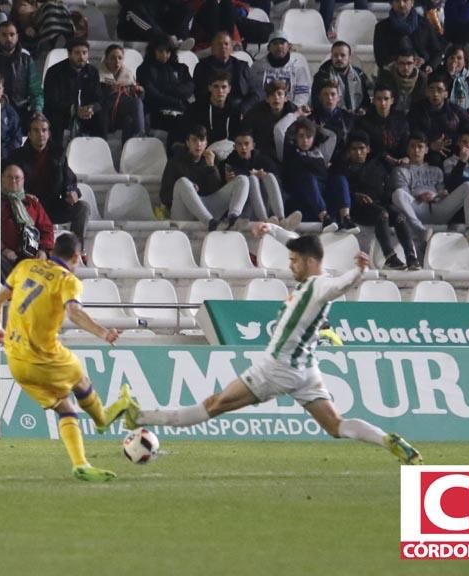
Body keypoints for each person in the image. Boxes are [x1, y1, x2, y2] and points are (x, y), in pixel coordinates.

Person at [116, 227, 423, 466]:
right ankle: (387, 441)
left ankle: (139, 417)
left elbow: (339, 286)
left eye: (294, 262)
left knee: (214, 404)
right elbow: (296, 242)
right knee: (336, 425)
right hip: (306, 371)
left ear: (310, 262)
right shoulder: (313, 279)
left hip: (277, 368)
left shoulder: (318, 286)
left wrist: (358, 272)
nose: (290, 266)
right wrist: (272, 231)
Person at [0, 231, 131, 481]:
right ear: (76, 257)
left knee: (65, 407)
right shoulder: (68, 280)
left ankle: (80, 464)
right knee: (81, 381)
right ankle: (102, 419)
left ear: (53, 251)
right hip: (46, 358)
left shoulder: (26, 266)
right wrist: (104, 333)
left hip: (16, 362)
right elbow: (74, 313)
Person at [337, 132, 420, 270]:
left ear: (368, 149)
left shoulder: (378, 165)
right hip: (358, 209)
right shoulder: (343, 168)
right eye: (354, 149)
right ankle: (390, 257)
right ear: (348, 151)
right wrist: (355, 196)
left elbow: (386, 186)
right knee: (382, 214)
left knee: (399, 217)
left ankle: (411, 258)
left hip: (378, 204)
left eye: (361, 148)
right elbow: (340, 193)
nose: (358, 152)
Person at [6, 114, 89, 252]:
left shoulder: (58, 154)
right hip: (27, 207)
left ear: (49, 133)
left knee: (83, 208)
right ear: (29, 134)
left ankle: (76, 251)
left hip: (52, 207)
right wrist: (24, 196)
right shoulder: (16, 156)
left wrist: (72, 191)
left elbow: (68, 179)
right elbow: (9, 184)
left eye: (44, 130)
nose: (41, 134)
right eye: (36, 130)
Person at [391, 132, 469, 245]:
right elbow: (404, 196)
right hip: (418, 209)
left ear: (427, 149)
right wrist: (419, 196)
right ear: (407, 149)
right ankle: (419, 230)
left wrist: (437, 196)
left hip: (439, 208)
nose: (416, 150)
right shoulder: (401, 171)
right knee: (397, 194)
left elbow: (442, 192)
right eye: (412, 146)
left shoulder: (436, 170)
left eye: (420, 146)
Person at [275, 114, 358, 232]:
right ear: (296, 137)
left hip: (322, 197)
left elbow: (333, 135)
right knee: (309, 178)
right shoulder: (289, 151)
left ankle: (345, 217)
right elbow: (279, 130)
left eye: (309, 136)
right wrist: (296, 115)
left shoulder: (319, 151)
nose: (305, 140)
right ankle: (325, 218)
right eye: (301, 136)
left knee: (340, 178)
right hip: (300, 200)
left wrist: (317, 127)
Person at [160, 124, 250, 230]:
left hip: (206, 207)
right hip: (184, 211)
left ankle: (233, 217)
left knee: (243, 180)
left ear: (206, 143)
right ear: (188, 143)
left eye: (202, 140)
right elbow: (164, 196)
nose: (198, 144)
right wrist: (189, 191)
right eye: (194, 140)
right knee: (183, 182)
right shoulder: (175, 162)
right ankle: (209, 222)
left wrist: (212, 168)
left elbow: (215, 191)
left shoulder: (211, 160)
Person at [223, 130, 300, 228]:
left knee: (270, 176)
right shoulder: (230, 163)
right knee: (252, 179)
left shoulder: (264, 160)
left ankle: (282, 219)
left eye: (246, 144)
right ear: (234, 147)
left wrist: (263, 176)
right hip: (246, 212)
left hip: (268, 207)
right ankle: (265, 220)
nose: (243, 147)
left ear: (253, 145)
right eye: (239, 144)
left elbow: (278, 183)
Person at [408, 72, 469, 168]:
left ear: (446, 94)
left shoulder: (455, 110)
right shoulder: (417, 110)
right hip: (427, 152)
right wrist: (430, 145)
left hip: (455, 151)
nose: (435, 94)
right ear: (426, 92)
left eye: (439, 90)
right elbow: (412, 135)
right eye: (432, 90)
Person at [136, 34, 194, 152]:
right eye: (160, 51)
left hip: (181, 109)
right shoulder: (145, 69)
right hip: (156, 111)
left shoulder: (180, 68)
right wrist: (176, 99)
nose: (164, 55)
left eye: (167, 51)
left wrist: (167, 88)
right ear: (153, 51)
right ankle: (174, 155)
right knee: (178, 123)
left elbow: (190, 87)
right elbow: (153, 95)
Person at [42, 38, 103, 145]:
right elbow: (52, 101)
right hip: (62, 112)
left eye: (84, 53)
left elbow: (99, 98)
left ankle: (98, 149)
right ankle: (57, 155)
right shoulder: (54, 72)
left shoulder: (92, 72)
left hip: (86, 113)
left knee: (102, 117)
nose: (81, 57)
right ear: (69, 54)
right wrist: (74, 110)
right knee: (55, 118)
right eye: (77, 53)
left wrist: (91, 108)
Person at [0, 164, 54, 279]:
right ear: (1, 179)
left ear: (23, 181)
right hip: (7, 257)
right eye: (9, 177)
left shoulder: (33, 203)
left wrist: (43, 251)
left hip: (33, 255)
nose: (13, 181)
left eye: (17, 178)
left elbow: (47, 230)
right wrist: (3, 250)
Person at [192, 31, 257, 115]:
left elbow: (254, 94)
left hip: (238, 108)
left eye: (226, 44)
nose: (223, 47)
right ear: (212, 48)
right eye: (219, 44)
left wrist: (243, 109)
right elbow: (199, 94)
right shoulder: (202, 66)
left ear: (231, 47)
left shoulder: (242, 67)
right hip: (211, 109)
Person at [373, 0, 443, 72]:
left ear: (412, 3)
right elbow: (380, 58)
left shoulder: (425, 24)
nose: (401, 4)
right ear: (392, 4)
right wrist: (398, 62)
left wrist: (430, 66)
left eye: (405, 0)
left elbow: (437, 51)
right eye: (397, 1)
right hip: (393, 76)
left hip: (422, 73)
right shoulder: (381, 28)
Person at [249, 30, 313, 108]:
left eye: (282, 43)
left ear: (289, 46)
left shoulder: (298, 64)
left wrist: (294, 111)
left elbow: (303, 93)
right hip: (265, 110)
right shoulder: (258, 67)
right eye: (275, 43)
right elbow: (255, 92)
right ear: (268, 48)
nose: (279, 46)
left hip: (292, 110)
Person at [240, 79, 297, 163]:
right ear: (267, 99)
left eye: (279, 94)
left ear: (286, 98)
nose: (276, 97)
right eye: (272, 95)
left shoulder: (294, 112)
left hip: (288, 155)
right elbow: (246, 133)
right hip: (263, 155)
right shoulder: (255, 113)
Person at [99, 44, 146, 144]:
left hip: (121, 114)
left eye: (120, 58)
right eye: (112, 58)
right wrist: (109, 90)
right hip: (105, 114)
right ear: (106, 59)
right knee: (135, 105)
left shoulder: (128, 74)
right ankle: (140, 135)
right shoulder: (97, 75)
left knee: (130, 118)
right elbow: (94, 97)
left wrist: (138, 91)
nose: (117, 62)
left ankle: (129, 147)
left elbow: (140, 98)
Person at [356, 84, 410, 171]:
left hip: (400, 162)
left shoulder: (400, 120)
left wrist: (406, 157)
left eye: (386, 99)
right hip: (375, 164)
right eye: (379, 99)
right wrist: (385, 157)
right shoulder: (364, 122)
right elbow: (367, 147)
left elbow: (406, 141)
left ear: (392, 100)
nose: (383, 103)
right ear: (373, 101)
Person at [311, 41, 373, 115]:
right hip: (331, 119)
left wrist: (363, 109)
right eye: (335, 55)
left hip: (357, 119)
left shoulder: (360, 74)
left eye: (343, 55)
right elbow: (316, 103)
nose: (339, 58)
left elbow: (366, 100)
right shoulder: (322, 76)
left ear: (350, 57)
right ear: (331, 57)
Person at [185, 69, 242, 145]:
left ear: (229, 89)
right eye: (216, 86)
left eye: (224, 87)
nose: (220, 91)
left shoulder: (235, 111)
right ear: (209, 88)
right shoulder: (195, 109)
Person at [375, 47, 427, 116]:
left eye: (409, 63)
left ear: (414, 63)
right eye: (402, 63)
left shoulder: (422, 78)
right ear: (396, 64)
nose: (406, 67)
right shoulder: (386, 77)